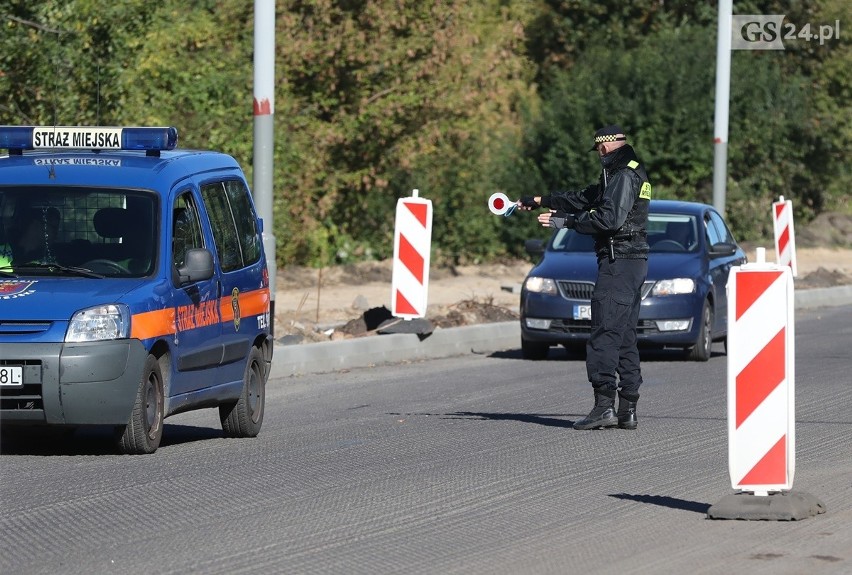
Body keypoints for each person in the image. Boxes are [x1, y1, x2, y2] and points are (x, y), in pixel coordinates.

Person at [517, 125, 651, 430]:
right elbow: (585, 197)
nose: (598, 156)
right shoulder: (625, 172)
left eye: (599, 151)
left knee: (604, 332)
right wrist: (540, 200)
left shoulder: (623, 175)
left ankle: (604, 407)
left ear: (604, 148)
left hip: (619, 262)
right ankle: (627, 409)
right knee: (624, 334)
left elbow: (608, 219)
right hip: (631, 262)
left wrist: (566, 223)